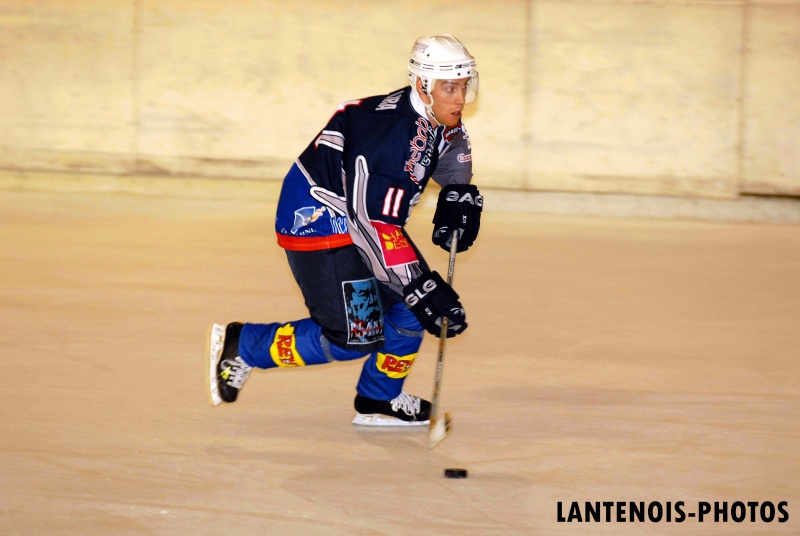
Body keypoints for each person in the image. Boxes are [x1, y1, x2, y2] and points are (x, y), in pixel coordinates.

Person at [206, 34, 483, 426]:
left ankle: (378, 400)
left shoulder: (432, 114)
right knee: (357, 336)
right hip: (320, 224)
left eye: (464, 85)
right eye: (449, 87)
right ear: (422, 84)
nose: (459, 98)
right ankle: (246, 345)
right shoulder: (390, 139)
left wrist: (458, 189)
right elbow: (372, 224)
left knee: (410, 307)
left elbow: (450, 146)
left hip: (360, 219)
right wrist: (421, 285)